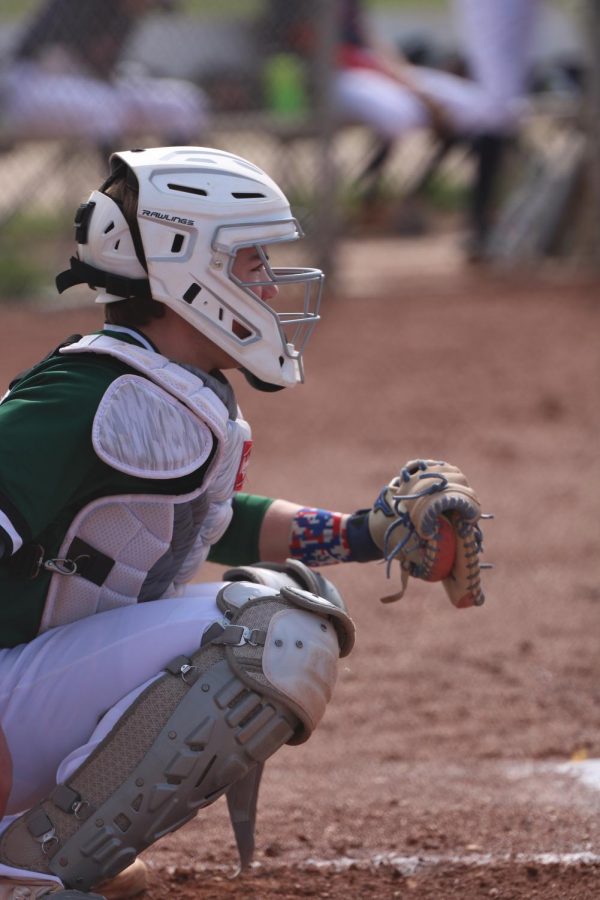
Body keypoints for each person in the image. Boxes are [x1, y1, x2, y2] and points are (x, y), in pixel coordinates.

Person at [0, 145, 484, 900]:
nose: (268, 280)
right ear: (181, 267)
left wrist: (363, 535)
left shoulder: (158, 387)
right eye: (250, 260)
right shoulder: (91, 397)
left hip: (20, 692)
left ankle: (32, 843)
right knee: (273, 628)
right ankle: (24, 867)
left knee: (280, 608)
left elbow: (208, 525)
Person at [262, 0, 540, 256]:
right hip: (332, 79)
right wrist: (408, 87)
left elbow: (372, 43)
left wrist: (407, 79)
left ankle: (459, 215)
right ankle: (372, 196)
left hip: (376, 72)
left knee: (481, 109)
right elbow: (308, 46)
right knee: (398, 116)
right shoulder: (291, 4)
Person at [0, 0, 208, 156]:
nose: (147, 9)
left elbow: (105, 71)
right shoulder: (80, 7)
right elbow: (50, 59)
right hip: (33, 83)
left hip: (96, 86)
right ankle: (118, 192)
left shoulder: (126, 17)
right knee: (103, 107)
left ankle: (176, 184)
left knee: (182, 102)